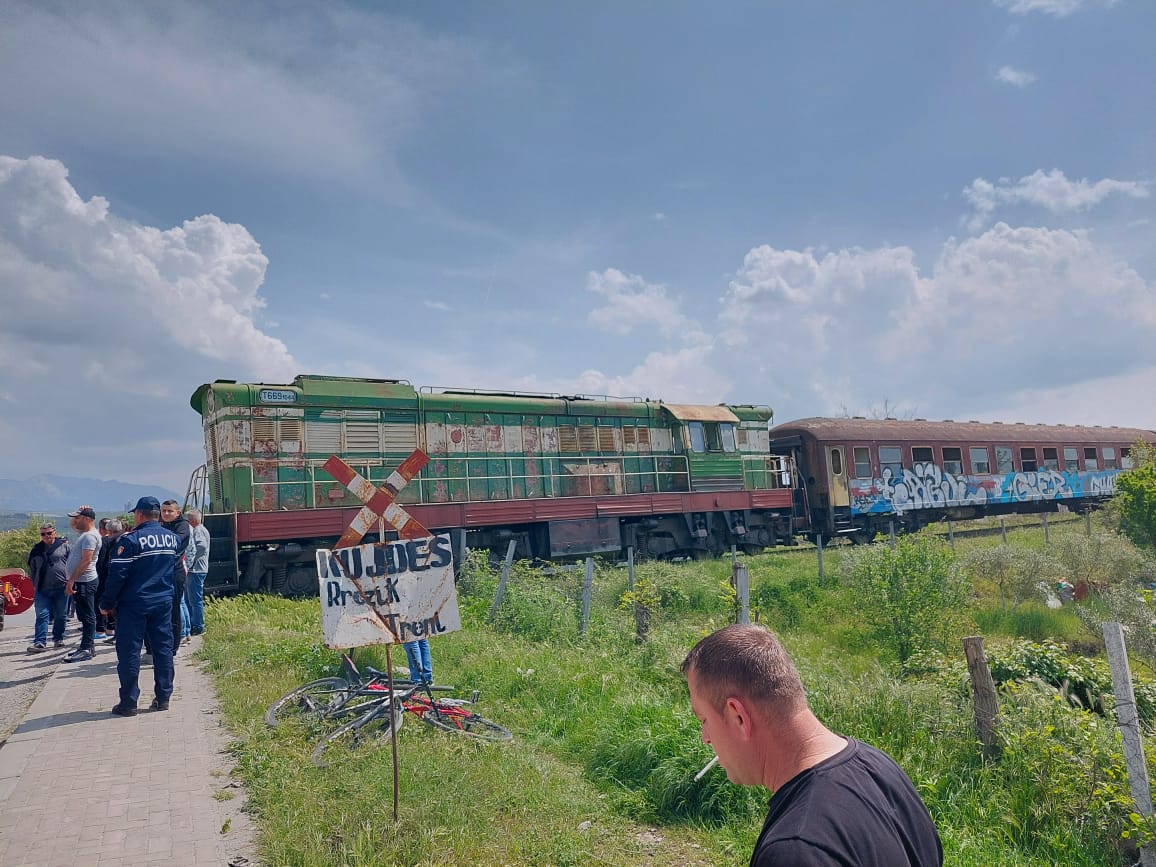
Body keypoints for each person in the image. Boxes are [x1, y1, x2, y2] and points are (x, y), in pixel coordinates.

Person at [682, 625, 943, 867]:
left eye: (704, 719)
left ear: (738, 716)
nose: (705, 737)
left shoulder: (795, 850)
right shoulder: (879, 766)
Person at [100, 496, 180, 716]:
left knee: (129, 652)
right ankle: (163, 697)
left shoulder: (130, 541)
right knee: (163, 649)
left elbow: (117, 576)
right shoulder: (172, 539)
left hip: (134, 604)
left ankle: (128, 703)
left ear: (139, 514)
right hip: (163, 601)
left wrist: (106, 603)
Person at [62, 505, 101, 662]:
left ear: (86, 519)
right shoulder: (86, 534)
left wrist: (71, 580)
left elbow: (86, 560)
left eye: (78, 518)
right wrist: (80, 510)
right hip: (82, 581)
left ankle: (86, 648)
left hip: (85, 581)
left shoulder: (90, 537)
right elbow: (74, 525)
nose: (75, 521)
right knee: (84, 615)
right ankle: (86, 646)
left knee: (87, 616)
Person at [26, 523, 70, 652]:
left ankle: (58, 638)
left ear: (55, 533)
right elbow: (32, 568)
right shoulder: (36, 549)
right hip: (42, 589)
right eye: (43, 534)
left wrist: (71, 582)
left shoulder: (64, 547)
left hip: (61, 588)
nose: (46, 536)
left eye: (49, 533)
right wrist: (34, 583)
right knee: (42, 615)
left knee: (61, 615)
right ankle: (40, 642)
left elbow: (72, 565)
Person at [160, 500, 190, 652]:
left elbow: (175, 542)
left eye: (170, 511)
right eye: (164, 511)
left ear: (177, 513)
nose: (166, 513)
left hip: (175, 571)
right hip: (162, 572)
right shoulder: (162, 525)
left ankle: (174, 645)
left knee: (174, 608)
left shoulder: (182, 526)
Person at [95, 518, 124, 640]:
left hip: (106, 577)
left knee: (103, 603)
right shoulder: (125, 540)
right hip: (122, 577)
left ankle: (102, 629)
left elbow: (101, 561)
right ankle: (113, 630)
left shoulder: (104, 541)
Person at [184, 509, 210, 636]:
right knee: (192, 599)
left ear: (191, 521)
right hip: (199, 568)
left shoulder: (197, 530)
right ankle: (194, 623)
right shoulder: (202, 529)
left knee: (194, 600)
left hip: (196, 569)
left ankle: (198, 626)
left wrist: (191, 560)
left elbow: (201, 546)